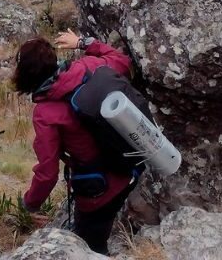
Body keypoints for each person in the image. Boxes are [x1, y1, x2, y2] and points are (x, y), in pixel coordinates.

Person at [13, 29, 137, 256]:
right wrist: (83, 42)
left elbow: (47, 172)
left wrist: (30, 204)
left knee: (90, 247)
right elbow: (123, 62)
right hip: (130, 166)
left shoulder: (45, 112)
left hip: (98, 190)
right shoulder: (87, 67)